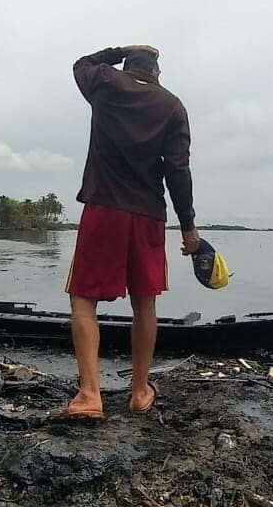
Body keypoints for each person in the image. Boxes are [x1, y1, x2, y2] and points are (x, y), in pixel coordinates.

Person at [54, 44, 200, 422]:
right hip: (148, 213)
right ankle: (139, 392)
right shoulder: (171, 105)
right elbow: (178, 170)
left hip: (103, 208)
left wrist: (118, 50)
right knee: (145, 301)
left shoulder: (105, 81)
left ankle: (90, 395)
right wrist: (188, 226)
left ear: (127, 64)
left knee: (84, 299)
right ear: (156, 73)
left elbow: (81, 63)